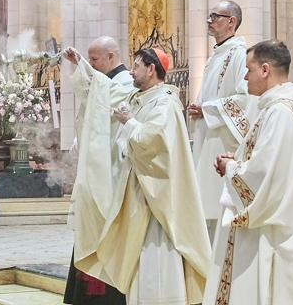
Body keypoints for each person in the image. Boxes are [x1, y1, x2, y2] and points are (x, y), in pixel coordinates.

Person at [202, 41, 293, 304]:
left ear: (266, 70)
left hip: (271, 233)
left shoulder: (280, 112)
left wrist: (231, 168)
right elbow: (265, 161)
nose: (245, 77)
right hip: (274, 224)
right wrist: (236, 160)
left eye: (249, 70)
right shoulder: (276, 109)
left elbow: (264, 175)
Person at [110, 48, 211, 304]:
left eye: (136, 66)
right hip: (140, 187)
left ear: (151, 69)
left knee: (156, 251)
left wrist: (129, 122)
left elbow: (153, 141)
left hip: (158, 195)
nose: (132, 71)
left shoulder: (165, 102)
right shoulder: (142, 97)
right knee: (138, 252)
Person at [62, 36, 136, 304]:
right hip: (100, 166)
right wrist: (80, 65)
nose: (91, 64)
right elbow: (90, 95)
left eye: (94, 60)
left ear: (111, 57)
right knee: (91, 226)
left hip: (114, 169)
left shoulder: (125, 83)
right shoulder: (105, 82)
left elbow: (100, 97)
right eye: (90, 59)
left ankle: (106, 295)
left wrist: (82, 66)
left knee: (106, 228)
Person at [187, 0, 254, 236]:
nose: (209, 20)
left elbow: (244, 98)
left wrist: (207, 109)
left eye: (215, 16)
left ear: (231, 22)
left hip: (223, 142)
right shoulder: (216, 55)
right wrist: (201, 108)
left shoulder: (239, 55)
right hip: (208, 137)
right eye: (209, 15)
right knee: (207, 206)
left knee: (218, 208)